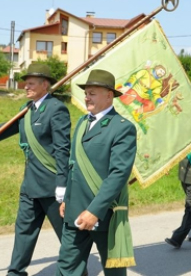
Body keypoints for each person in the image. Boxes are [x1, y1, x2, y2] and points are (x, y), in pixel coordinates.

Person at [0, 63, 71, 276]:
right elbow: (8, 127)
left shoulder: (57, 109)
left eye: (31, 83)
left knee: (65, 233)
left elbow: (63, 150)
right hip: (30, 184)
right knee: (24, 230)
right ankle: (16, 271)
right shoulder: (27, 109)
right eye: (25, 82)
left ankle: (76, 269)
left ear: (45, 85)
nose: (25, 86)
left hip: (51, 186)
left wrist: (62, 185)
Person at [56, 69, 137, 276]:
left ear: (109, 95)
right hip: (75, 209)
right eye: (86, 93)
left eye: (92, 93)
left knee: (113, 271)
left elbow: (118, 174)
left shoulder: (122, 128)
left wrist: (94, 211)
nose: (86, 97)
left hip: (103, 214)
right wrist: (67, 198)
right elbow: (73, 165)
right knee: (67, 267)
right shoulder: (83, 122)